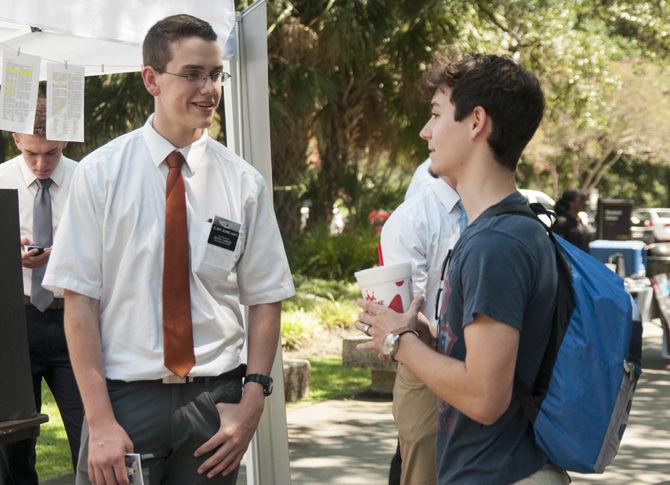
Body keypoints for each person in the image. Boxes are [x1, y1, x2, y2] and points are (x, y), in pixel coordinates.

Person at [43, 14, 295, 485]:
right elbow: (78, 303)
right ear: (151, 80)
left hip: (214, 405)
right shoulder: (99, 176)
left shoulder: (244, 183)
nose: (210, 88)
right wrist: (98, 421)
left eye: (216, 74)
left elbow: (265, 296)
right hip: (124, 401)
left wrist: (253, 400)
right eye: (193, 74)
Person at [357, 54, 570, 484]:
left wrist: (399, 343)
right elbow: (494, 360)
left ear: (476, 122)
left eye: (436, 115)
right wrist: (426, 333)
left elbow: (485, 395)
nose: (425, 131)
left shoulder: (496, 244)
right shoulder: (510, 230)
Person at [0, 98, 83, 485]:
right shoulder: (0, 180)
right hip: (16, 324)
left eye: (50, 152)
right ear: (15, 138)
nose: (40, 163)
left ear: (64, 140)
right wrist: (10, 256)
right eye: (31, 152)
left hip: (75, 320)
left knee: (90, 433)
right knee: (14, 443)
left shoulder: (87, 181)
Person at [381, 171, 464, 485]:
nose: (426, 133)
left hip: (494, 365)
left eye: (435, 118)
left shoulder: (503, 213)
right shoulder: (412, 218)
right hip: (426, 367)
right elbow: (402, 317)